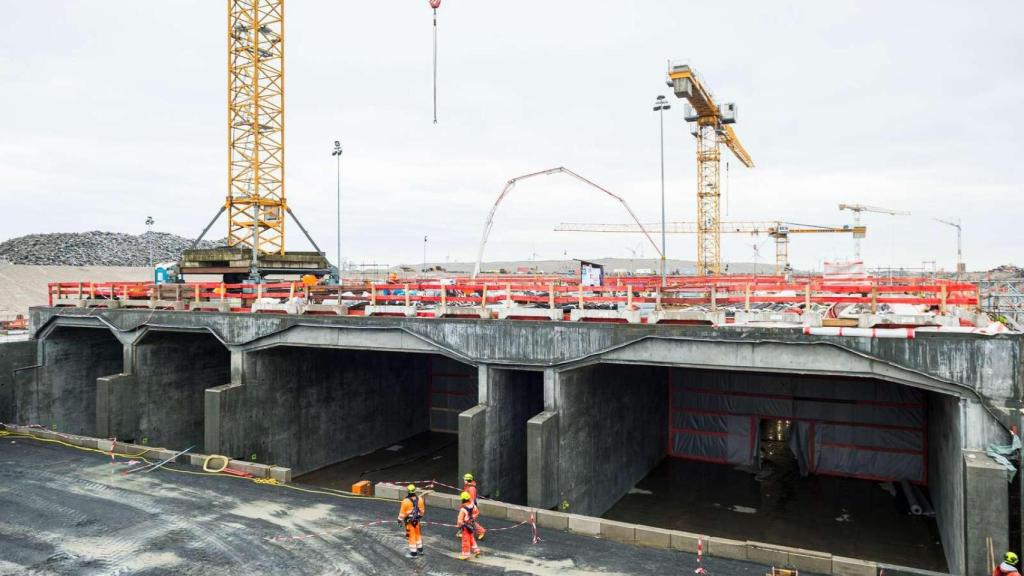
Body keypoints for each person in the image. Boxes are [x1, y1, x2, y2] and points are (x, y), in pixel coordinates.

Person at [397, 484, 425, 557]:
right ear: (415, 490)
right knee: (418, 535)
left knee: (411, 536)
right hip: (417, 521)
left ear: (408, 491)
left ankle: (413, 553)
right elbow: (422, 511)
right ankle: (420, 550)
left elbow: (402, 513)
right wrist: (419, 517)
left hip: (409, 522)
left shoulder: (405, 501)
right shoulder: (420, 499)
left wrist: (399, 520)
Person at [456, 491, 482, 560]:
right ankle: (476, 550)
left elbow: (459, 520)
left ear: (462, 499)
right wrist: (472, 519)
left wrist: (459, 526)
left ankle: (465, 554)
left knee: (465, 540)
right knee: (471, 538)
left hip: (465, 527)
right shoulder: (473, 505)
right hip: (471, 524)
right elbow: (477, 512)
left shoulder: (463, 509)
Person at [463, 473, 486, 540]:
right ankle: (463, 532)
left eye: (464, 480)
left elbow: (472, 500)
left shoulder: (471, 488)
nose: (464, 481)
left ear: (468, 480)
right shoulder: (467, 486)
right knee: (465, 520)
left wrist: (469, 508)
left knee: (470, 520)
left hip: (470, 507)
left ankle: (481, 531)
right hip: (467, 505)